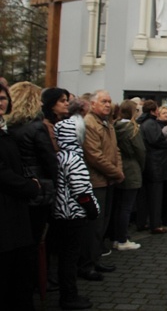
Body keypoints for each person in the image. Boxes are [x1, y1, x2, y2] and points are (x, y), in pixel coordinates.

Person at [6, 82, 59, 286]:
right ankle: (37, 282)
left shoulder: (10, 128)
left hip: (18, 190)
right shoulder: (37, 128)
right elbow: (50, 161)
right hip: (37, 190)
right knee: (34, 241)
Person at [0, 83, 41, 310]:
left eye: (3, 98)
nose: (1, 102)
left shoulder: (6, 130)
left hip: (16, 207)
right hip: (6, 207)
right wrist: (28, 186)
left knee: (20, 266)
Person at [54, 114, 100, 310]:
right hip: (73, 214)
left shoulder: (60, 155)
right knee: (70, 258)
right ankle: (69, 296)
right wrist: (92, 210)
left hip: (61, 213)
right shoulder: (74, 159)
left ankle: (68, 294)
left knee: (66, 256)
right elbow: (81, 191)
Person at [79, 90, 124, 281]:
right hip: (96, 180)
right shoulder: (89, 123)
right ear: (93, 104)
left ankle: (95, 259)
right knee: (94, 226)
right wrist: (116, 172)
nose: (108, 104)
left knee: (102, 224)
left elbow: (116, 150)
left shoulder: (108, 123)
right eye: (104, 101)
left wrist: (118, 170)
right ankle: (86, 265)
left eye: (109, 101)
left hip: (109, 180)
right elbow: (94, 156)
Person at [113, 100, 145, 251]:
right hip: (131, 167)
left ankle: (116, 236)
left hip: (118, 167)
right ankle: (122, 239)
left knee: (119, 206)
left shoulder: (115, 126)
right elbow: (140, 150)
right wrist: (142, 165)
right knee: (126, 207)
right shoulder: (132, 129)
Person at [136, 100, 167, 234]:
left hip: (150, 163)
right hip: (155, 163)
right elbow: (156, 140)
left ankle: (142, 222)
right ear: (152, 111)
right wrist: (166, 143)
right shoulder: (151, 124)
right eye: (157, 109)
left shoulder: (144, 123)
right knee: (155, 196)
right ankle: (155, 224)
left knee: (145, 196)